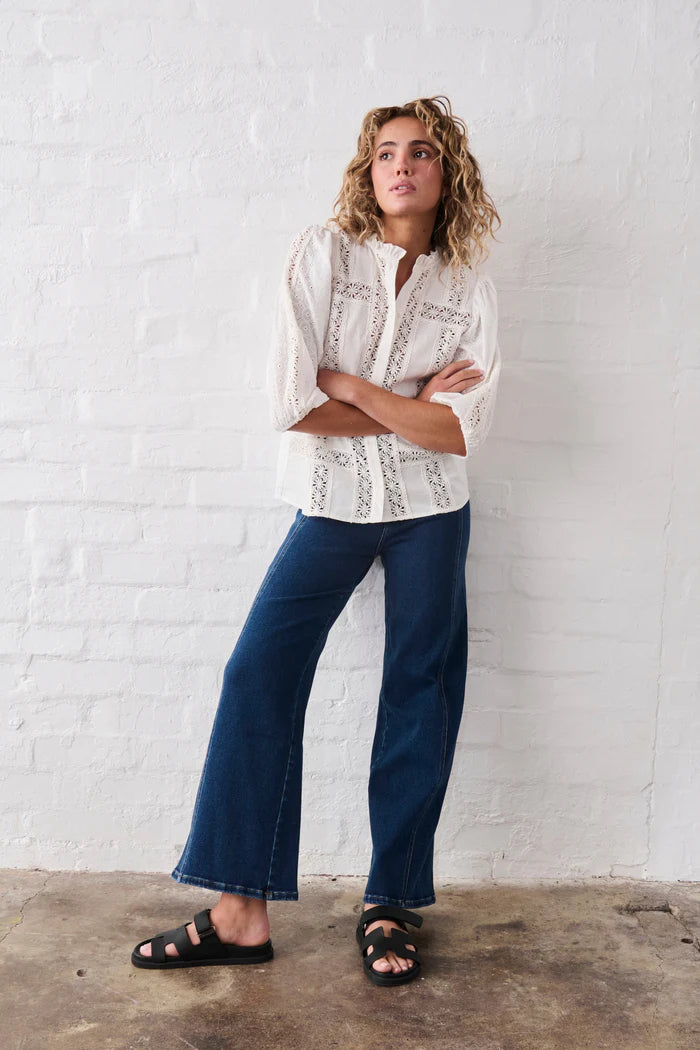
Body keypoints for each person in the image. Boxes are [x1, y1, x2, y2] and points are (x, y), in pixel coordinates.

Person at [131, 94, 502, 987]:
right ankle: (239, 912)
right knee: (258, 671)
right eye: (386, 153)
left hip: (432, 507)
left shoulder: (469, 287)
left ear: (447, 172)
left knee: (420, 689)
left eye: (421, 151)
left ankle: (391, 901)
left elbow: (460, 432)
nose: (402, 165)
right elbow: (291, 403)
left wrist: (357, 387)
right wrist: (408, 403)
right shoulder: (323, 254)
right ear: (368, 172)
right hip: (332, 502)